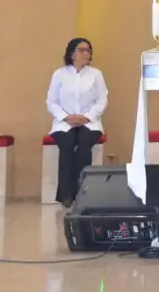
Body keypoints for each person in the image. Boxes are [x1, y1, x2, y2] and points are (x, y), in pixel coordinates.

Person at [46, 37, 108, 207]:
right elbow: (51, 102)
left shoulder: (96, 74)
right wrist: (67, 117)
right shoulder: (59, 74)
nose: (86, 53)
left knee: (83, 147)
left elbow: (102, 100)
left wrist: (86, 117)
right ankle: (66, 195)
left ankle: (83, 192)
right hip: (64, 122)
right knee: (66, 146)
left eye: (88, 50)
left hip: (89, 122)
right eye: (82, 50)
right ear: (72, 53)